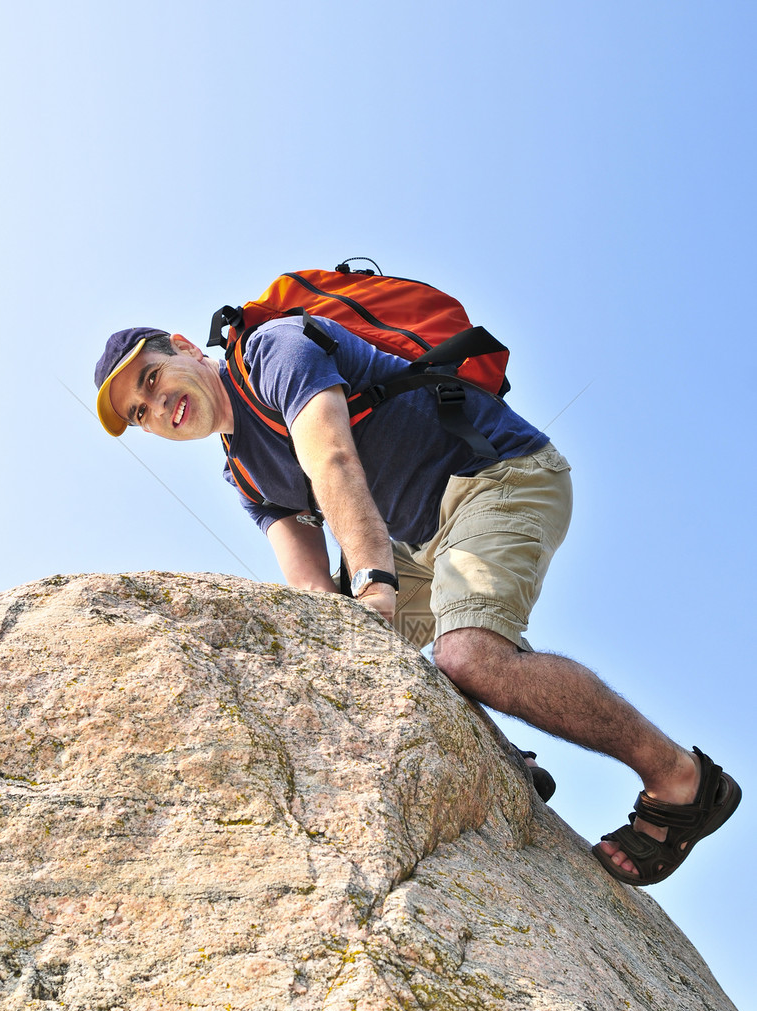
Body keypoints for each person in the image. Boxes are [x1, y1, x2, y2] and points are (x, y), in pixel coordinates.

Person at [93, 318, 740, 886]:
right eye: (140, 413)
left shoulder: (271, 351)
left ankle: (683, 781)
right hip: (419, 541)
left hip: (497, 474)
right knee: (340, 659)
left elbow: (334, 460)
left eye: (150, 379)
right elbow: (310, 591)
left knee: (468, 657)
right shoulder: (245, 472)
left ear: (183, 347)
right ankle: (498, 759)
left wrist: (374, 583)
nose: (156, 405)